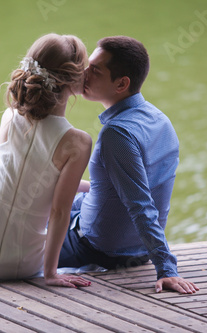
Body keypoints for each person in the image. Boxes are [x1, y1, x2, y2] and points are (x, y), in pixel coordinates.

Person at [0, 33, 92, 288]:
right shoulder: (78, 143)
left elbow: (26, 177)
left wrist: (89, 186)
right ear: (72, 78)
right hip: (18, 263)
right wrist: (51, 274)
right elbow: (58, 211)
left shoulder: (10, 116)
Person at [58, 36, 199, 294]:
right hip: (137, 248)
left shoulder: (117, 135)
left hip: (100, 250)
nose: (83, 74)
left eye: (95, 71)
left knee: (23, 236)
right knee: (61, 202)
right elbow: (122, 190)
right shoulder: (159, 119)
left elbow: (141, 204)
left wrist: (167, 269)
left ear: (122, 83)